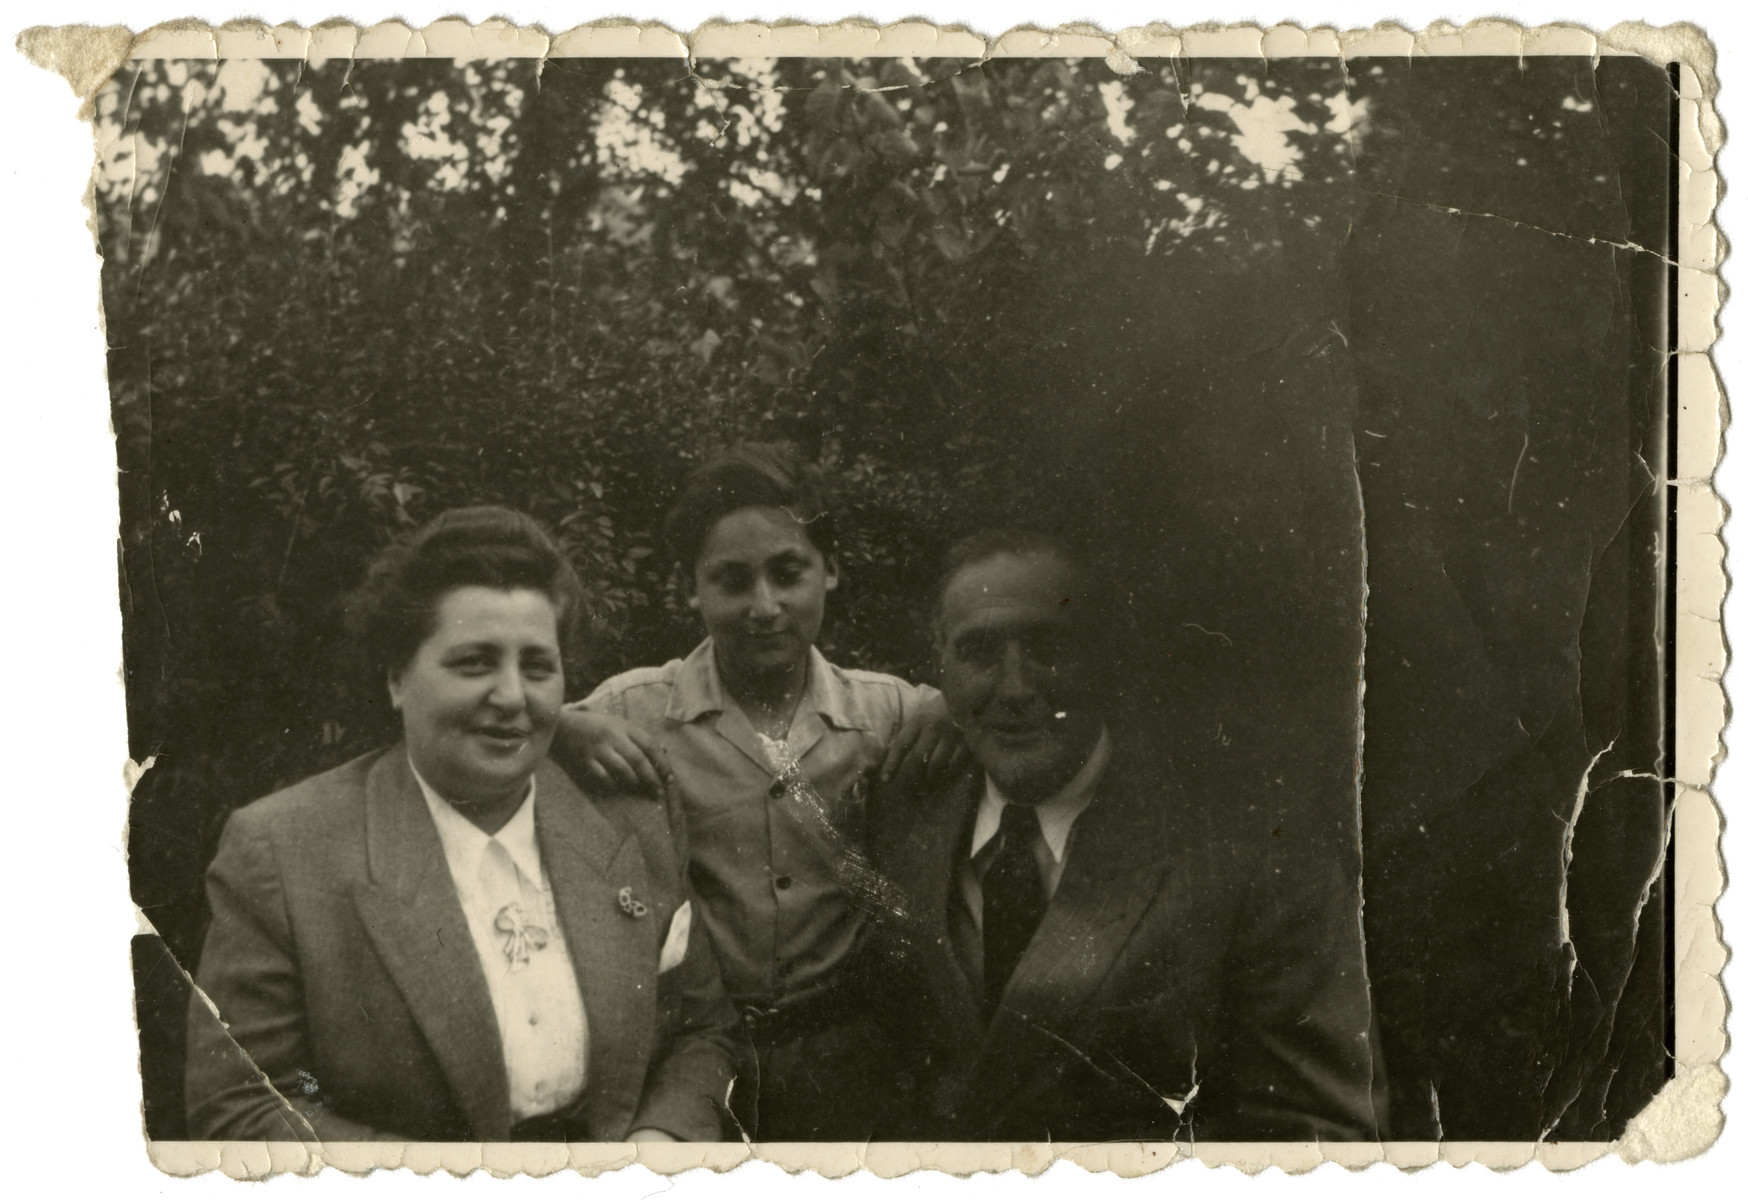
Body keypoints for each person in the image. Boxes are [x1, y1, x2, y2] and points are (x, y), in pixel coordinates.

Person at [184, 506, 740, 1142]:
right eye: (475, 663)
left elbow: (704, 1032)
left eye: (537, 667)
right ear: (397, 678)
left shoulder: (630, 817)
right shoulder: (283, 851)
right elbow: (241, 1106)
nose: (511, 697)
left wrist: (658, 1144)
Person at [866, 528, 1384, 1141]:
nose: (1016, 688)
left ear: (1105, 655)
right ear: (939, 666)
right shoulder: (902, 810)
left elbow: (1318, 1135)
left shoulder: (1247, 862)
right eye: (978, 651)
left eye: (1048, 647)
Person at [551, 443, 957, 1140]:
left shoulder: (887, 714)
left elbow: (986, 716)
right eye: (732, 581)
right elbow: (497, 739)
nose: (763, 606)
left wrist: (955, 710)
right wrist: (559, 728)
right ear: (691, 588)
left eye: (788, 572)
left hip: (848, 1053)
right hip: (696, 1056)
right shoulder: (633, 711)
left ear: (830, 571)